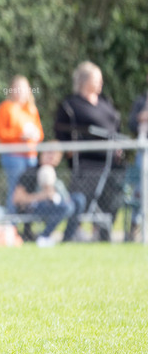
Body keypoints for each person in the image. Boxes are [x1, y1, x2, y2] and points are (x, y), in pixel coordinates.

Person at [53, 61, 125, 242]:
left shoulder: (105, 102)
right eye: (97, 79)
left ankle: (101, 233)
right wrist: (67, 147)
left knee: (112, 197)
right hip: (86, 162)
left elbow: (115, 125)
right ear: (85, 81)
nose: (101, 83)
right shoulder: (71, 104)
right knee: (82, 198)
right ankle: (71, 233)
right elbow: (60, 129)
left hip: (110, 162)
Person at [12, 149, 86, 246]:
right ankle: (44, 237)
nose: (51, 157)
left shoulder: (54, 172)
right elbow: (17, 199)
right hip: (36, 207)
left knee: (79, 199)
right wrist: (42, 196)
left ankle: (67, 239)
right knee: (67, 207)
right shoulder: (31, 172)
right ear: (42, 154)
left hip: (57, 203)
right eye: (48, 153)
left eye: (55, 154)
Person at [0, 76, 43, 212]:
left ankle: (27, 226)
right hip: (13, 156)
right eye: (17, 88)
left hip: (31, 156)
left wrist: (35, 135)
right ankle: (11, 225)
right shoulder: (6, 107)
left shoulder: (31, 109)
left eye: (23, 88)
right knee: (15, 189)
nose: (20, 91)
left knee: (31, 190)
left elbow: (40, 133)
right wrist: (19, 136)